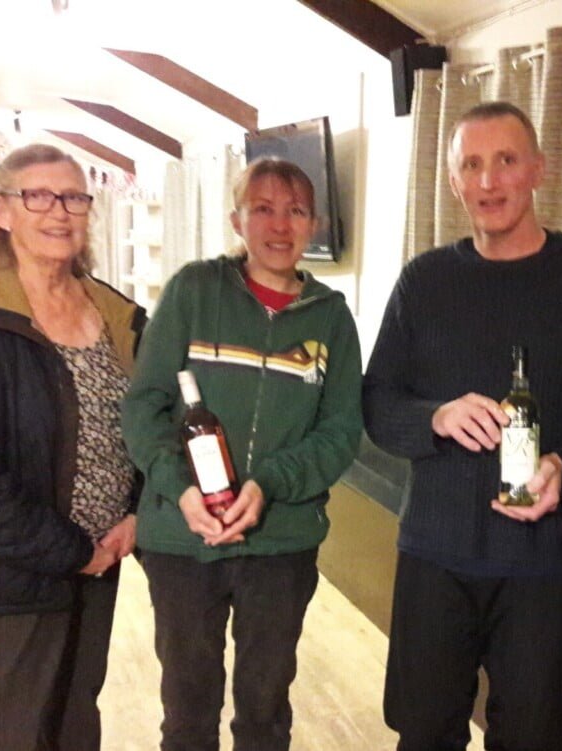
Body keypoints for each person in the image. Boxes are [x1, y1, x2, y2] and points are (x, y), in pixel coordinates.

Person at [362, 101, 562, 750]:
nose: (489, 180)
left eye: (506, 160)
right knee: (423, 731)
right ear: (453, 181)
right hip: (433, 553)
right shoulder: (425, 281)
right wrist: (434, 416)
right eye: (472, 164)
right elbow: (377, 401)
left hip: (546, 564)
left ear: (538, 171)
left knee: (533, 738)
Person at [121, 157, 363, 750]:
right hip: (182, 542)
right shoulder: (193, 292)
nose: (280, 225)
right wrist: (181, 492)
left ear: (315, 224)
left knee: (264, 710)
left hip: (280, 542)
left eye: (296, 210)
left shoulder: (331, 319)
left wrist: (267, 486)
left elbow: (339, 432)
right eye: (263, 209)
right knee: (187, 709)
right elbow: (143, 406)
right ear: (237, 219)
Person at [0, 143, 146, 751]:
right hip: (22, 563)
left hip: (105, 555)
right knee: (20, 721)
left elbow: (157, 422)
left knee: (78, 712)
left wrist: (136, 516)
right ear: (1, 212)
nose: (60, 212)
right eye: (39, 196)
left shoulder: (116, 312)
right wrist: (68, 550)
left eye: (75, 196)